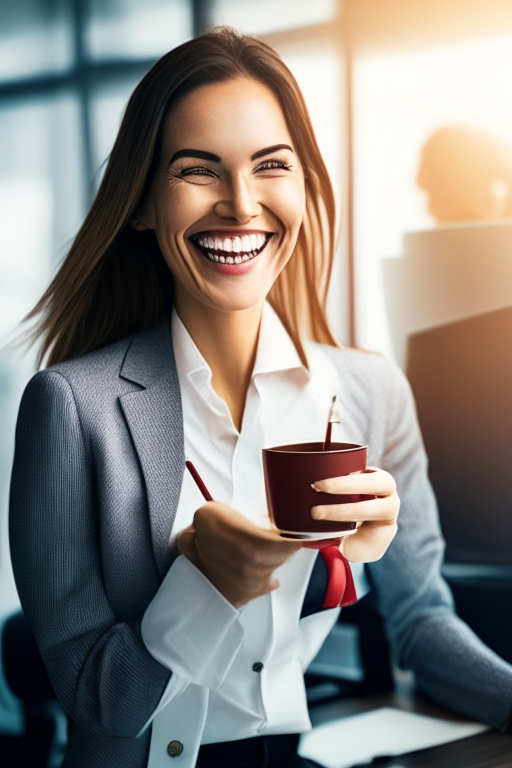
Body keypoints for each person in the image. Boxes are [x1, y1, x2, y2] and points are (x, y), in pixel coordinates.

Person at [8, 27, 512, 768]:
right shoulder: (70, 408)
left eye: (270, 166)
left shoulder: (369, 394)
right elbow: (98, 699)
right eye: (198, 171)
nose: (241, 205)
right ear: (143, 204)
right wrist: (206, 584)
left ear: (303, 186)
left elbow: (423, 624)